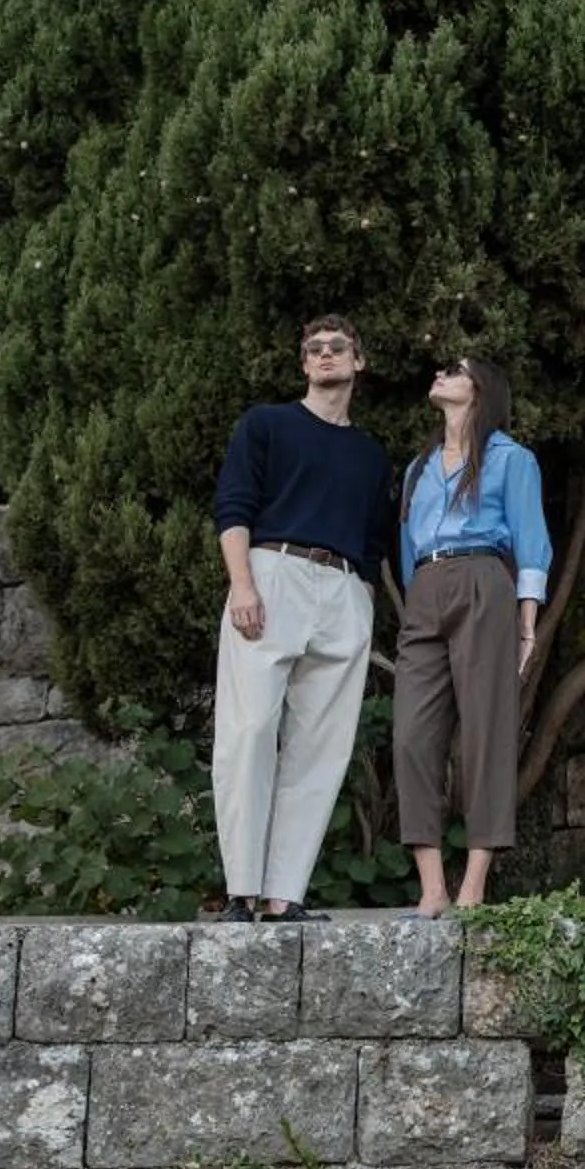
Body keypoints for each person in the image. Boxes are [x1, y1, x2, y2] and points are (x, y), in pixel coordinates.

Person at [210, 315, 395, 922]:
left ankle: (284, 895)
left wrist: (363, 597)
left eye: (336, 347)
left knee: (323, 747)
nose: (324, 355)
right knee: (250, 729)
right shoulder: (267, 424)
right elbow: (233, 505)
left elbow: (374, 542)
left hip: (343, 588)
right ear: (304, 364)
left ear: (357, 361)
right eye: (312, 348)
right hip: (272, 572)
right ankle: (241, 889)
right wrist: (242, 582)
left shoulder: (371, 456)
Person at [393, 353, 551, 913]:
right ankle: (431, 883)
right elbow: (406, 546)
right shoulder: (420, 467)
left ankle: (474, 882)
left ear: (480, 390)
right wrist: (415, 600)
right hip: (426, 589)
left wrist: (527, 622)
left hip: (485, 579)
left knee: (486, 733)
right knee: (412, 736)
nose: (440, 373)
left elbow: (531, 539)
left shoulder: (511, 459)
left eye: (455, 369)